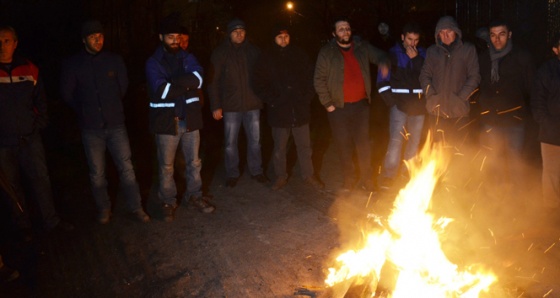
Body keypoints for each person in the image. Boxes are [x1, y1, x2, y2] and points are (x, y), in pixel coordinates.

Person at [60, 20, 150, 224]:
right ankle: (104, 209)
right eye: (93, 37)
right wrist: (85, 109)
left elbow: (122, 87)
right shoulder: (74, 64)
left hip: (116, 124)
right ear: (84, 40)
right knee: (97, 173)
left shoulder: (114, 60)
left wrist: (111, 106)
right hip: (91, 128)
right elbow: (67, 93)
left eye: (100, 36)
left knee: (127, 168)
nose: (98, 40)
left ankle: (136, 207)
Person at [0, 26, 73, 233]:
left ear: (15, 44)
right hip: (3, 144)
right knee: (12, 188)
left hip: (29, 139)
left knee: (41, 181)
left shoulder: (29, 69)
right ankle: (24, 228)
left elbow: (41, 102)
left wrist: (37, 126)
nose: (2, 46)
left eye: (6, 41)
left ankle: (51, 222)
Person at [146, 16, 215, 222]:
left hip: (190, 119)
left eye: (177, 37)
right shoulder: (153, 62)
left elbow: (200, 79)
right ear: (161, 37)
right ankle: (168, 200)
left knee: (194, 162)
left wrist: (175, 81)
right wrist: (187, 83)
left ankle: (194, 196)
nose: (175, 40)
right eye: (170, 37)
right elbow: (162, 90)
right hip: (167, 121)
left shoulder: (187, 57)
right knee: (166, 165)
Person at [314, 16, 389, 192]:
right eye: (341, 29)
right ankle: (349, 178)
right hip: (338, 108)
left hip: (361, 106)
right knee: (343, 144)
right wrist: (328, 104)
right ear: (334, 33)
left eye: (347, 28)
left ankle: (367, 179)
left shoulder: (361, 47)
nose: (345, 31)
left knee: (363, 144)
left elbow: (381, 56)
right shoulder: (327, 52)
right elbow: (319, 80)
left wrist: (384, 65)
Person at [253, 24, 324, 191]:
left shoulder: (299, 54)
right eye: (280, 37)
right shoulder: (266, 57)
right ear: (274, 39)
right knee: (280, 147)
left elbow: (310, 77)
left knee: (305, 146)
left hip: (300, 109)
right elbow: (258, 83)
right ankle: (280, 176)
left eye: (286, 36)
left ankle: (308, 175)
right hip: (279, 110)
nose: (283, 39)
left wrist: (306, 97)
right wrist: (273, 100)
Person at [477, 20, 535, 195]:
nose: (497, 39)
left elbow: (530, 87)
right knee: (494, 161)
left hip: (514, 120)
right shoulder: (484, 58)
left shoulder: (522, 57)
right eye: (493, 35)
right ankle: (497, 200)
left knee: (515, 160)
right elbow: (480, 86)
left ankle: (517, 200)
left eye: (501, 34)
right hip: (491, 120)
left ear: (509, 35)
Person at [208, 18, 267, 188]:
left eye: (242, 30)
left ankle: (257, 170)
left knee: (255, 141)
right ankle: (232, 173)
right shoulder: (220, 53)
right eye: (235, 31)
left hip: (253, 105)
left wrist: (263, 98)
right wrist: (215, 105)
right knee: (230, 143)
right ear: (229, 34)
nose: (239, 34)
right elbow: (213, 81)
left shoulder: (254, 51)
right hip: (230, 106)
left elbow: (262, 77)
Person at [377, 22, 426, 190]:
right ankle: (389, 175)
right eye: (409, 39)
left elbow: (428, 76)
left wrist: (417, 59)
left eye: (416, 40)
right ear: (402, 37)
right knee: (396, 141)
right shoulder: (390, 56)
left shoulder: (423, 55)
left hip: (419, 108)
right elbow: (381, 83)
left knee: (414, 142)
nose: (412, 44)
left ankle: (407, 173)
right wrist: (392, 103)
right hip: (399, 107)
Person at [420, 16, 480, 151]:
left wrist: (460, 98)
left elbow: (474, 77)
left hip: (459, 112)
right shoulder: (432, 51)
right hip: (436, 113)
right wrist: (431, 96)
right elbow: (425, 75)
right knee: (437, 152)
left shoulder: (467, 50)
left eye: (449, 31)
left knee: (459, 151)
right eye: (441, 32)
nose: (445, 36)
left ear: (456, 32)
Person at [531, 33, 560, 208]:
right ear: (556, 49)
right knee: (552, 175)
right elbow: (537, 102)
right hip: (552, 134)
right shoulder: (546, 71)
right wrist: (549, 124)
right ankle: (552, 214)